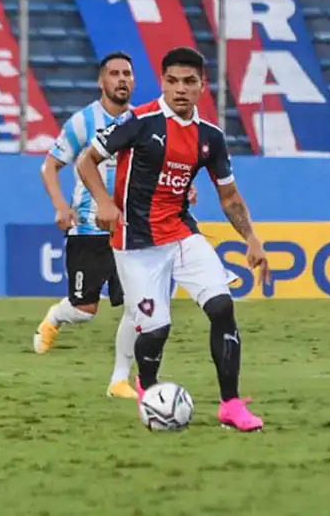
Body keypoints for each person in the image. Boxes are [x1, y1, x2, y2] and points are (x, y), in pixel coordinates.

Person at [77, 46, 271, 432]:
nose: (180, 89)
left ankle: (231, 405)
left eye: (189, 81)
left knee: (221, 307)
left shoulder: (210, 137)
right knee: (156, 330)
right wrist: (104, 202)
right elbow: (87, 161)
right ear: (162, 82)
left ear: (202, 86)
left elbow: (229, 196)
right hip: (136, 244)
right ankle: (148, 390)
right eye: (172, 81)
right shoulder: (139, 122)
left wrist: (252, 238)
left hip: (182, 235)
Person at [35, 51, 146, 400]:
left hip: (128, 231)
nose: (122, 79)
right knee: (84, 311)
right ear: (101, 81)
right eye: (114, 74)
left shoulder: (141, 122)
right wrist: (60, 206)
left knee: (138, 307)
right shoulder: (82, 122)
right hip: (87, 229)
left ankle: (120, 380)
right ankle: (55, 317)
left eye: (127, 74)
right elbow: (49, 167)